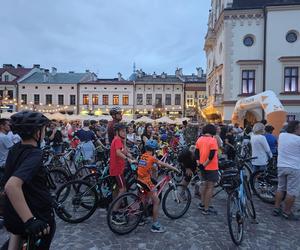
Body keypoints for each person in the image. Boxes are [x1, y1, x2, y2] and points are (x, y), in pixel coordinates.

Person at [3, 111, 55, 249]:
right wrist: (30, 220)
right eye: (44, 129)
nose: (45, 132)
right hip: (35, 216)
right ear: (37, 132)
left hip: (14, 215)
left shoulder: (15, 149)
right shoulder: (35, 154)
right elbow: (11, 186)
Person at [137, 139, 179, 233]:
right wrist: (175, 168)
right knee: (156, 201)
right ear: (154, 149)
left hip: (139, 180)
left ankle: (142, 217)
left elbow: (149, 168)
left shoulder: (143, 156)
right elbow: (163, 164)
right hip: (145, 181)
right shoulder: (152, 158)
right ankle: (155, 225)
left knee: (145, 198)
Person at [273, 120, 300, 220]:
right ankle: (287, 212)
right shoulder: (298, 140)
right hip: (294, 168)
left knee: (280, 188)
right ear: (296, 128)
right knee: (291, 191)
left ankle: (276, 208)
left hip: (281, 166)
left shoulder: (282, 136)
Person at [195, 124, 219, 215]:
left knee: (204, 185)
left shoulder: (199, 139)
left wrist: (199, 164)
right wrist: (205, 165)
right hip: (211, 167)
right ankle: (206, 208)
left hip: (202, 166)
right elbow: (212, 155)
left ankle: (202, 203)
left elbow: (196, 153)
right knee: (210, 187)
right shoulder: (213, 140)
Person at [109, 123, 135, 199]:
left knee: (118, 187)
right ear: (117, 132)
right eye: (123, 131)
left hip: (120, 167)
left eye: (125, 131)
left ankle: (115, 204)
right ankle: (114, 209)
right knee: (123, 189)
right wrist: (128, 159)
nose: (125, 133)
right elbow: (118, 152)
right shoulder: (117, 140)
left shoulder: (120, 140)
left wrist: (131, 156)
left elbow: (125, 151)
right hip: (117, 169)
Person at [0, 119, 13, 185]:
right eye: (8, 125)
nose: (10, 126)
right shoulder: (4, 137)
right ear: (2, 126)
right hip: (4, 164)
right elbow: (13, 150)